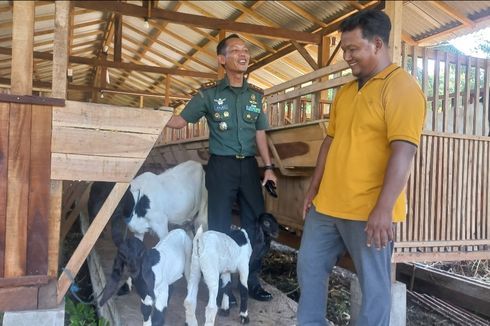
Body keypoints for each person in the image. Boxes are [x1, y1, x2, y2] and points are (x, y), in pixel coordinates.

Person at [296, 9, 426, 326]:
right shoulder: (344, 92)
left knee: (375, 290)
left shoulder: (402, 88)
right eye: (345, 50)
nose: (347, 57)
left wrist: (383, 209)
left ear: (377, 44)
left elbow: (404, 150)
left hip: (370, 211)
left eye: (353, 49)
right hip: (327, 206)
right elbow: (330, 141)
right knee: (309, 267)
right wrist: (313, 187)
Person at [165, 34, 277, 301]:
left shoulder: (255, 96)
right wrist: (153, 118)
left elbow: (261, 133)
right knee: (218, 227)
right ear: (222, 59)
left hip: (249, 167)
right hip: (221, 168)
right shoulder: (208, 95)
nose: (243, 54)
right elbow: (180, 122)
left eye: (246, 50)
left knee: (256, 226)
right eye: (236, 50)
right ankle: (219, 287)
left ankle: (251, 281)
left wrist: (269, 167)